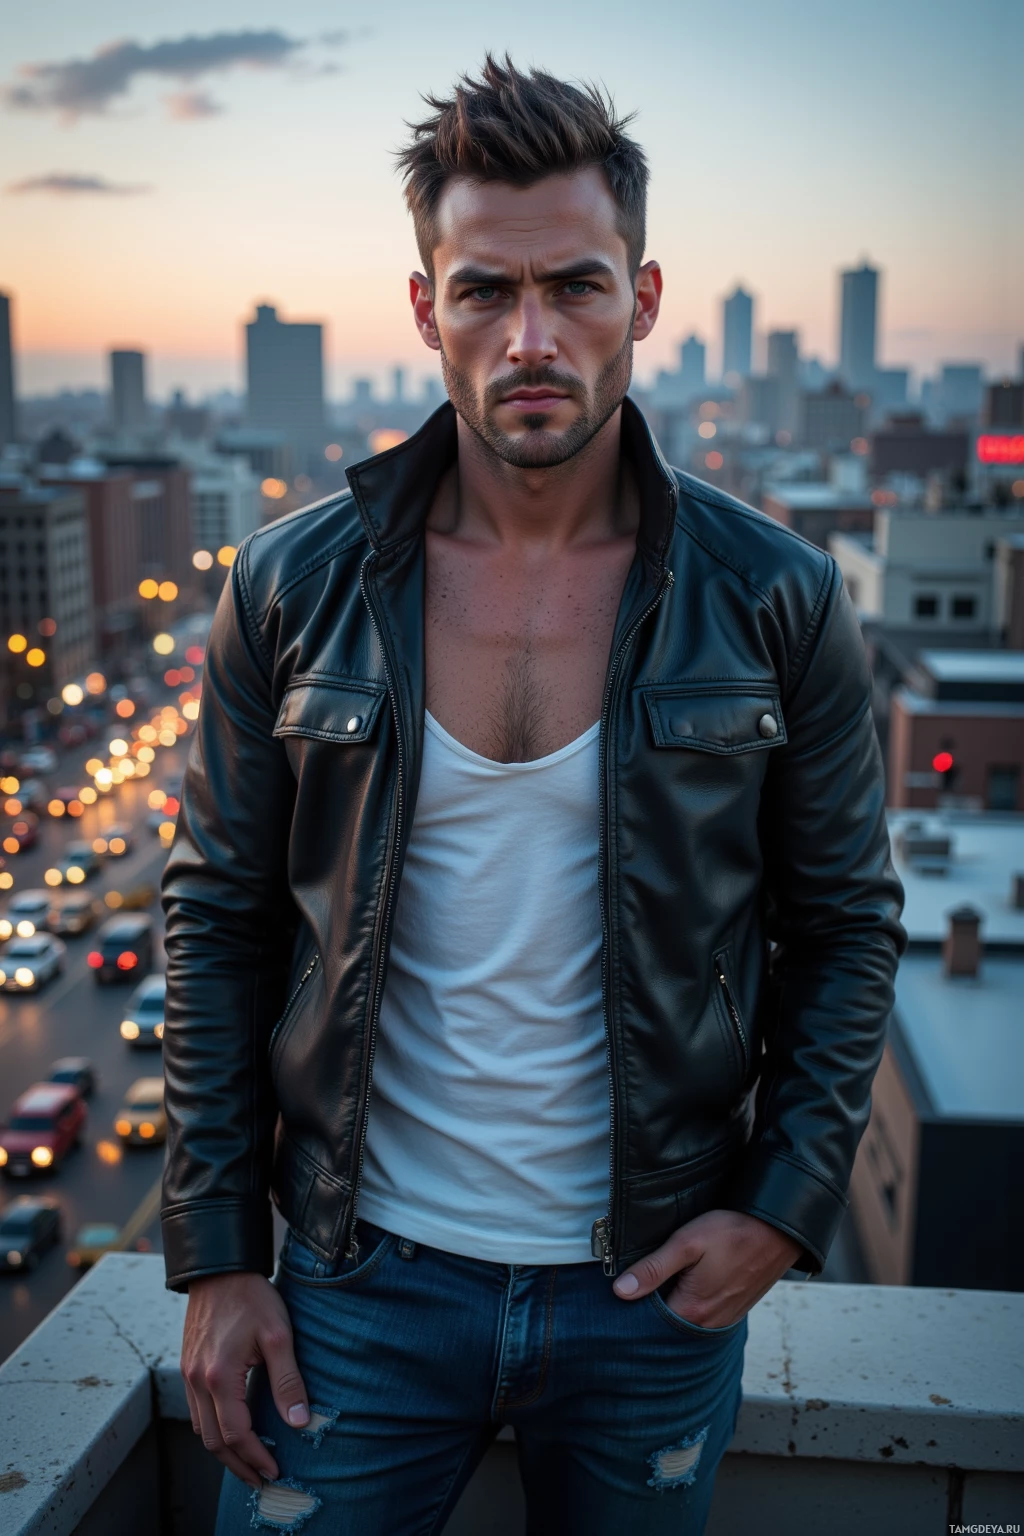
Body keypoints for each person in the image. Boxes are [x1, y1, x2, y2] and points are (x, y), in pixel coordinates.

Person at [163, 55, 905, 1535]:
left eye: (574, 287)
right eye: (485, 292)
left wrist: (783, 1207)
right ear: (424, 306)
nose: (531, 339)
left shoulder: (777, 596)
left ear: (644, 296)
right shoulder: (291, 585)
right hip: (356, 1284)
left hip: (649, 1296)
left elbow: (847, 926)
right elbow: (218, 917)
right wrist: (219, 1251)